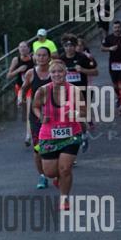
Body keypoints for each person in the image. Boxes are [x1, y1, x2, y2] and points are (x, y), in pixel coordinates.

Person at [32, 59, 86, 210]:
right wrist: (41, 116)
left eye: (60, 71)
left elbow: (84, 111)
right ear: (49, 74)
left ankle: (64, 198)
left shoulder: (74, 91)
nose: (57, 74)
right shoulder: (43, 91)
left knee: (65, 169)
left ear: (66, 73)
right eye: (53, 72)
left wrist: (75, 113)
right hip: (49, 135)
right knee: (49, 172)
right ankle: (58, 179)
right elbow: (35, 106)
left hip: (71, 135)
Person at [18, 46, 52, 189]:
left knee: (54, 146)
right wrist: (20, 98)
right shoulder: (31, 73)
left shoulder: (54, 72)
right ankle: (42, 176)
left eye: (44, 55)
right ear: (35, 57)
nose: (41, 58)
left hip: (54, 116)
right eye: (38, 55)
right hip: (36, 116)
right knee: (38, 148)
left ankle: (56, 171)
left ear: (49, 57)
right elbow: (23, 89)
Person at [58, 33, 98, 152]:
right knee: (68, 117)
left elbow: (95, 72)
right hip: (66, 92)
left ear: (75, 46)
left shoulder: (82, 57)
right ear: (63, 47)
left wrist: (83, 70)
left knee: (79, 117)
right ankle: (72, 140)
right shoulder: (61, 59)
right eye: (66, 46)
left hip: (82, 91)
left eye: (71, 46)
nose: (69, 48)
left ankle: (83, 135)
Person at [100, 21, 121, 115]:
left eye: (118, 27)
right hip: (113, 64)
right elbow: (102, 48)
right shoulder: (109, 38)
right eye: (115, 27)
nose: (117, 29)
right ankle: (119, 97)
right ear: (113, 28)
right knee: (115, 85)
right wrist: (109, 48)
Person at [6, 41, 35, 146]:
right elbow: (8, 76)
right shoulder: (16, 60)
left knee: (29, 112)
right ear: (18, 49)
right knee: (25, 111)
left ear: (28, 48)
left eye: (24, 47)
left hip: (30, 88)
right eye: (20, 47)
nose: (22, 49)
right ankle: (31, 128)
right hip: (20, 88)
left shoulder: (33, 58)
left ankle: (28, 136)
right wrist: (18, 70)